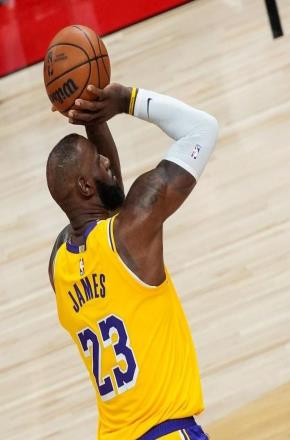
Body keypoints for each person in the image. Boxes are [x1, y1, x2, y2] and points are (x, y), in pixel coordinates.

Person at [46, 83, 218, 440]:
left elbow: (108, 208)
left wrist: (94, 116)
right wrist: (126, 100)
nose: (107, 161)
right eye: (98, 161)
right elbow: (202, 129)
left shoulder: (59, 265)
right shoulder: (129, 233)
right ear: (85, 186)